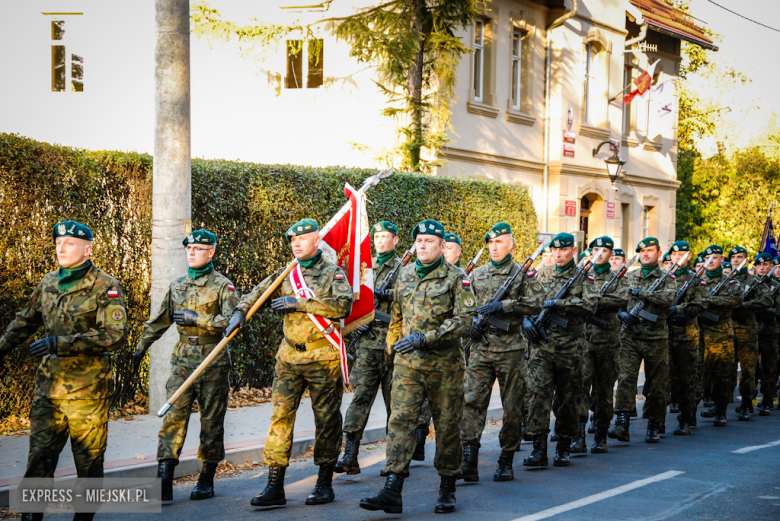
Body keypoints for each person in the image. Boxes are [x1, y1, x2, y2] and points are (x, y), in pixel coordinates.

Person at [0, 221, 127, 521]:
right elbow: (25, 320)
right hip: (49, 389)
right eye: (58, 241)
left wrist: (61, 343)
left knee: (89, 463)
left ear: (88, 249)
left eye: (69, 242)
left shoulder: (105, 285)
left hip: (88, 392)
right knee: (39, 458)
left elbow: (114, 335)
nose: (61, 247)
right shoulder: (48, 283)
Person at [225, 219, 353, 508]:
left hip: (323, 357)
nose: (296, 243)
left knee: (327, 420)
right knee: (280, 419)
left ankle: (323, 483)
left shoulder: (333, 273)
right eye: (292, 240)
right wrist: (240, 311)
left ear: (316, 239)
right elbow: (257, 293)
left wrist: (300, 303)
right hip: (288, 358)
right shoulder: (287, 271)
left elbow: (343, 306)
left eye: (302, 238)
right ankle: (274, 485)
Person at [360, 220, 476, 514]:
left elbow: (464, 322)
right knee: (400, 423)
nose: (422, 246)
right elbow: (397, 314)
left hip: (445, 367)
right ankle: (392, 488)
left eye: (429, 241)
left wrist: (425, 338)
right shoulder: (407, 274)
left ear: (440, 246)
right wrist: (392, 345)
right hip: (408, 365)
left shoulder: (457, 278)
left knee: (448, 427)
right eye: (419, 241)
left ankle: (448, 487)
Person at [133, 230, 238, 501]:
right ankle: (164, 478)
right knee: (173, 419)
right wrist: (142, 345)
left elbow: (232, 322)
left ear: (211, 252)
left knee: (211, 422)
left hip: (211, 362)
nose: (191, 252)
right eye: (188, 248)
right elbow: (161, 319)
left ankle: (206, 478)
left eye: (198, 248)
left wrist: (199, 320)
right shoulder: (178, 284)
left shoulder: (223, 286)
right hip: (182, 361)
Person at [460, 223, 540, 482]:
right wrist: (471, 325)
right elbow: (465, 305)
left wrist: (504, 305)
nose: (494, 247)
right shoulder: (478, 274)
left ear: (511, 246)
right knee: (472, 402)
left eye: (499, 242)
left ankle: (506, 459)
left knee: (513, 405)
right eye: (491, 243)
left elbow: (537, 304)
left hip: (510, 349)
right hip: (481, 347)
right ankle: (469, 460)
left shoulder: (522, 274)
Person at [522, 233, 598, 468]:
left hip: (571, 348)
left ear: (573, 251)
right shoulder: (542, 273)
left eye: (563, 250)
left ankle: (564, 446)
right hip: (542, 347)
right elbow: (527, 301)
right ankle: (539, 448)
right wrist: (526, 320)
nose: (557, 254)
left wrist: (559, 304)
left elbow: (591, 304)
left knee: (568, 398)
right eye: (554, 250)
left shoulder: (584, 276)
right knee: (538, 395)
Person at [337, 221, 401, 475]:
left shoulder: (403, 269)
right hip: (366, 347)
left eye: (385, 236)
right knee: (360, 399)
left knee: (395, 406)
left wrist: (388, 294)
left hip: (392, 346)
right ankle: (350, 455)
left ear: (395, 240)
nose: (379, 240)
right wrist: (357, 323)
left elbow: (412, 297)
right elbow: (350, 301)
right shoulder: (363, 269)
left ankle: (394, 459)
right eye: (376, 236)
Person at [611, 237, 676, 444]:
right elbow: (617, 301)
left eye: (650, 250)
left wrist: (644, 294)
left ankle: (654, 423)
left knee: (656, 384)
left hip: (656, 337)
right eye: (642, 251)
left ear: (658, 253)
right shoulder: (628, 277)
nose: (645, 254)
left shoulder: (667, 278)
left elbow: (669, 299)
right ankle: (622, 421)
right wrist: (622, 315)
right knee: (626, 378)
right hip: (631, 336)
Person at [577, 237, 628, 454]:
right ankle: (578, 435)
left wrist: (594, 302)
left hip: (608, 342)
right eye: (595, 249)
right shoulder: (581, 275)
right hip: (584, 342)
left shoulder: (617, 278)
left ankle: (600, 434)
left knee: (604, 391)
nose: (599, 253)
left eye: (604, 250)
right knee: (581, 388)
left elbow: (623, 299)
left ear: (610, 254)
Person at [698, 245, 743, 426]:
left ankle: (721, 409)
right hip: (699, 332)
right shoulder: (697, 280)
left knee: (721, 374)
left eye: (714, 258)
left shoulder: (730, 282)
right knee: (699, 372)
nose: (710, 261)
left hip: (721, 333)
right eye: (707, 258)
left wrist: (710, 300)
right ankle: (690, 411)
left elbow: (736, 300)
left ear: (722, 259)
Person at [728, 246, 772, 421]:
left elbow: (767, 299)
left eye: (740, 257)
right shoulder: (725, 280)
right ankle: (720, 405)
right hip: (726, 330)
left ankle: (747, 403)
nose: (736, 260)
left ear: (746, 260)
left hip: (747, 331)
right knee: (724, 370)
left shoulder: (753, 281)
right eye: (733, 257)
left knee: (747, 370)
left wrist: (745, 306)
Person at [665, 241, 705, 435]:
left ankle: (686, 418)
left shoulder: (694, 279)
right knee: (665, 378)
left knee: (686, 379)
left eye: (681, 254)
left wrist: (677, 309)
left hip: (687, 336)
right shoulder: (664, 277)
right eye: (673, 254)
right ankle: (656, 421)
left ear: (688, 257)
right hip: (665, 334)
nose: (676, 257)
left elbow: (698, 305)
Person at [754, 253, 778, 415]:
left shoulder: (776, 286)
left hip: (771, 332)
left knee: (770, 367)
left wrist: (766, 311)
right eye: (758, 265)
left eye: (765, 265)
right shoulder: (750, 284)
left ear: (771, 266)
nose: (762, 268)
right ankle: (749, 400)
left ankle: (768, 399)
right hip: (751, 332)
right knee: (752, 368)